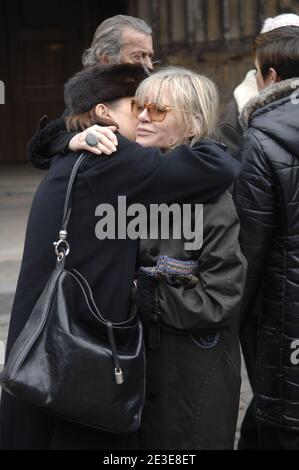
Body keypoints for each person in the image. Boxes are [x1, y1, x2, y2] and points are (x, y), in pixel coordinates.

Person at [0, 63, 242, 450]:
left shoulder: (89, 158)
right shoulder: (113, 160)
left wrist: (62, 138)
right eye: (138, 105)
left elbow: (221, 290)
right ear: (103, 114)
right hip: (82, 359)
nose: (144, 116)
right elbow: (218, 163)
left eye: (157, 110)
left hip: (157, 371)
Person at [219, 12, 299, 451]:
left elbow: (250, 242)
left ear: (268, 75)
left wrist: (228, 315)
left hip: (282, 308)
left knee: (282, 417)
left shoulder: (261, 137)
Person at [31, 14, 154, 168]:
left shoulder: (159, 87)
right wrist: (75, 139)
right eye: (138, 56)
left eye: (150, 55)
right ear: (106, 59)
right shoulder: (86, 96)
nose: (149, 65)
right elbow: (47, 142)